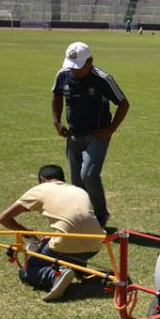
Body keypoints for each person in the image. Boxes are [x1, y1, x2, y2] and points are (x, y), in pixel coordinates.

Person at [0, 165, 105, 301]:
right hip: (95, 244)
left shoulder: (40, 189)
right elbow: (78, 221)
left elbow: (3, 218)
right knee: (64, 241)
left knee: (27, 270)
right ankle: (79, 268)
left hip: (65, 245)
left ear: (42, 179)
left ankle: (55, 275)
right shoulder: (78, 190)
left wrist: (28, 234)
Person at [51, 41, 129, 229]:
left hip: (97, 134)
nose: (74, 71)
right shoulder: (63, 74)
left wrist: (111, 129)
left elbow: (123, 103)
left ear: (90, 61)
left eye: (79, 67)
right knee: (76, 181)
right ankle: (84, 217)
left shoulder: (103, 79)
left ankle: (101, 215)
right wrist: (57, 121)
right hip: (73, 134)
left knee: (89, 175)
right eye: (72, 67)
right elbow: (57, 96)